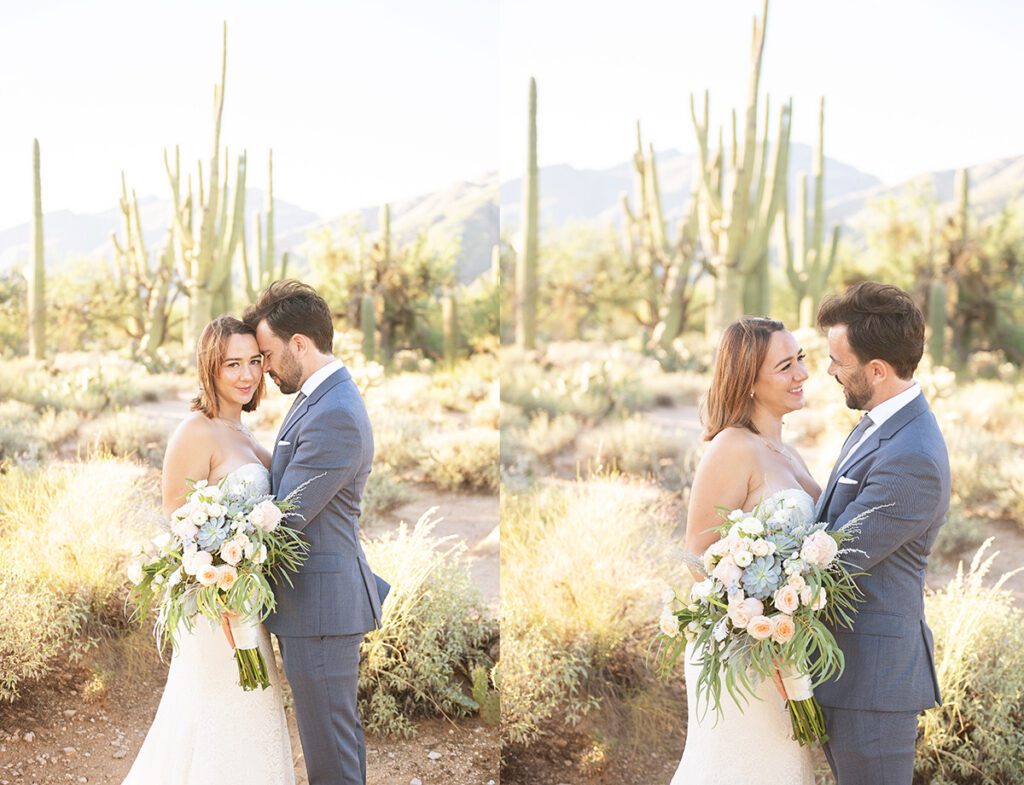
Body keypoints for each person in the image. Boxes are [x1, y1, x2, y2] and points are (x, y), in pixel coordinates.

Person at [123, 315, 294, 785]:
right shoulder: (195, 430)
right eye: (232, 364)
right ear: (209, 368)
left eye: (254, 362)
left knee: (251, 705)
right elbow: (178, 518)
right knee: (219, 710)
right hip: (213, 605)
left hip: (245, 603)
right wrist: (215, 584)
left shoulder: (243, 433)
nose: (246, 375)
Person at [243, 280, 388, 785]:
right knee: (330, 742)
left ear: (299, 344)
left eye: (267, 354)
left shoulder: (335, 414)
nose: (264, 367)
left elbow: (287, 516)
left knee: (331, 754)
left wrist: (220, 545)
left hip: (322, 608)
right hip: (315, 604)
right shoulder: (320, 399)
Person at [670, 316, 819, 785]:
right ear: (749, 382)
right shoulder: (732, 447)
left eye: (801, 360)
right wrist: (762, 634)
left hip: (782, 646)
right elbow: (701, 556)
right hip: (745, 656)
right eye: (785, 366)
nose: (801, 375)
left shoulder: (785, 451)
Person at [814, 282, 949, 785]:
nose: (829, 370)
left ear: (876, 370)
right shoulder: (879, 422)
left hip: (873, 683)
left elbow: (835, 558)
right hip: (848, 673)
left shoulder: (912, 456)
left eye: (837, 360)